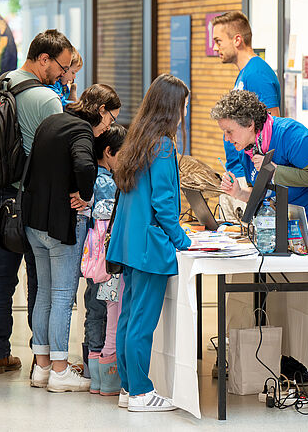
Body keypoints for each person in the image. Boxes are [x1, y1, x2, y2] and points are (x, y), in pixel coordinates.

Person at [0, 29, 75, 375]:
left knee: (3, 276)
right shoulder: (46, 99)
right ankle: (45, 359)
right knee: (42, 279)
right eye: (62, 67)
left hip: (0, 194)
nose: (63, 75)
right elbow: (60, 155)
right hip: (32, 198)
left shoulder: (2, 82)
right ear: (44, 60)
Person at [25, 84, 121, 392]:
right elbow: (82, 163)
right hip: (61, 224)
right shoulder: (81, 131)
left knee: (43, 294)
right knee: (63, 297)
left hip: (34, 221)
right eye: (111, 118)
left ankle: (41, 369)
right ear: (100, 111)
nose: (110, 126)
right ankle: (60, 372)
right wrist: (86, 194)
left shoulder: (54, 121)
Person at [106, 74, 192, 412]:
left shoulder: (139, 139)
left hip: (129, 244)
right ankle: (141, 392)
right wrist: (182, 239)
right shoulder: (163, 145)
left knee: (129, 316)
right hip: (149, 246)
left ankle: (129, 388)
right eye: (183, 105)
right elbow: (164, 203)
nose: (184, 111)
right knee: (141, 321)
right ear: (172, 107)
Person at [211, 90, 308, 219]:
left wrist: (275, 171)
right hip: (277, 221)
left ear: (250, 124)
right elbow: (259, 193)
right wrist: (238, 193)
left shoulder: (290, 134)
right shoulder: (246, 150)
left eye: (229, 131)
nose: (226, 138)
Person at [211, 11, 281, 179]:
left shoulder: (256, 73)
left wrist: (257, 178)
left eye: (218, 41)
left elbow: (272, 126)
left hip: (249, 173)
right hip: (239, 171)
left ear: (237, 40)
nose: (215, 48)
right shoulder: (246, 73)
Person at [87, 124, 126, 397]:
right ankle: (108, 378)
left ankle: (95, 377)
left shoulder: (92, 177)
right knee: (107, 313)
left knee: (94, 312)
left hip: (93, 261)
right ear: (109, 152)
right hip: (108, 263)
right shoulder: (107, 183)